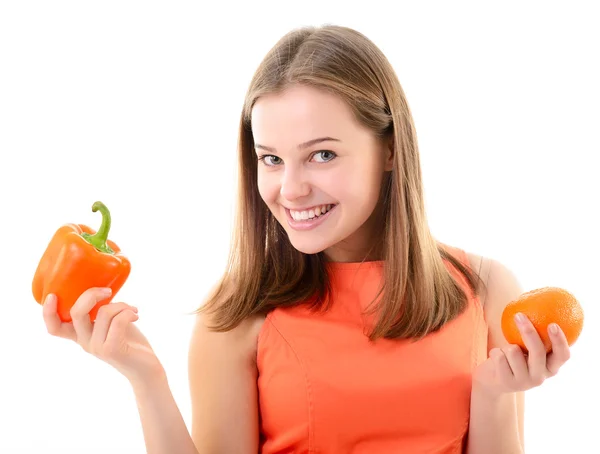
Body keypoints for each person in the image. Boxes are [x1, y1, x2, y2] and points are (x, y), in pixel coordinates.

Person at [41, 24, 572, 453]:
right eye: (271, 158)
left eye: (322, 154)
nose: (290, 189)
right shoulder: (237, 317)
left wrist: (495, 393)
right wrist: (146, 377)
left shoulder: (485, 288)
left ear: (390, 151)